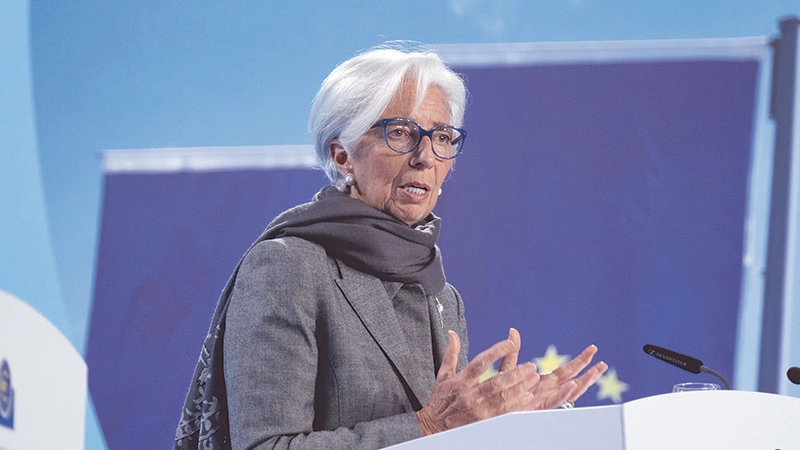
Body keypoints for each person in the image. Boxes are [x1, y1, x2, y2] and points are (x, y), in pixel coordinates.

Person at [174, 44, 608, 450]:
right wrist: (429, 426)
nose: (425, 156)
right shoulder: (287, 268)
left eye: (442, 137)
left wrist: (505, 427)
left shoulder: (442, 297)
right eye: (400, 132)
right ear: (342, 156)